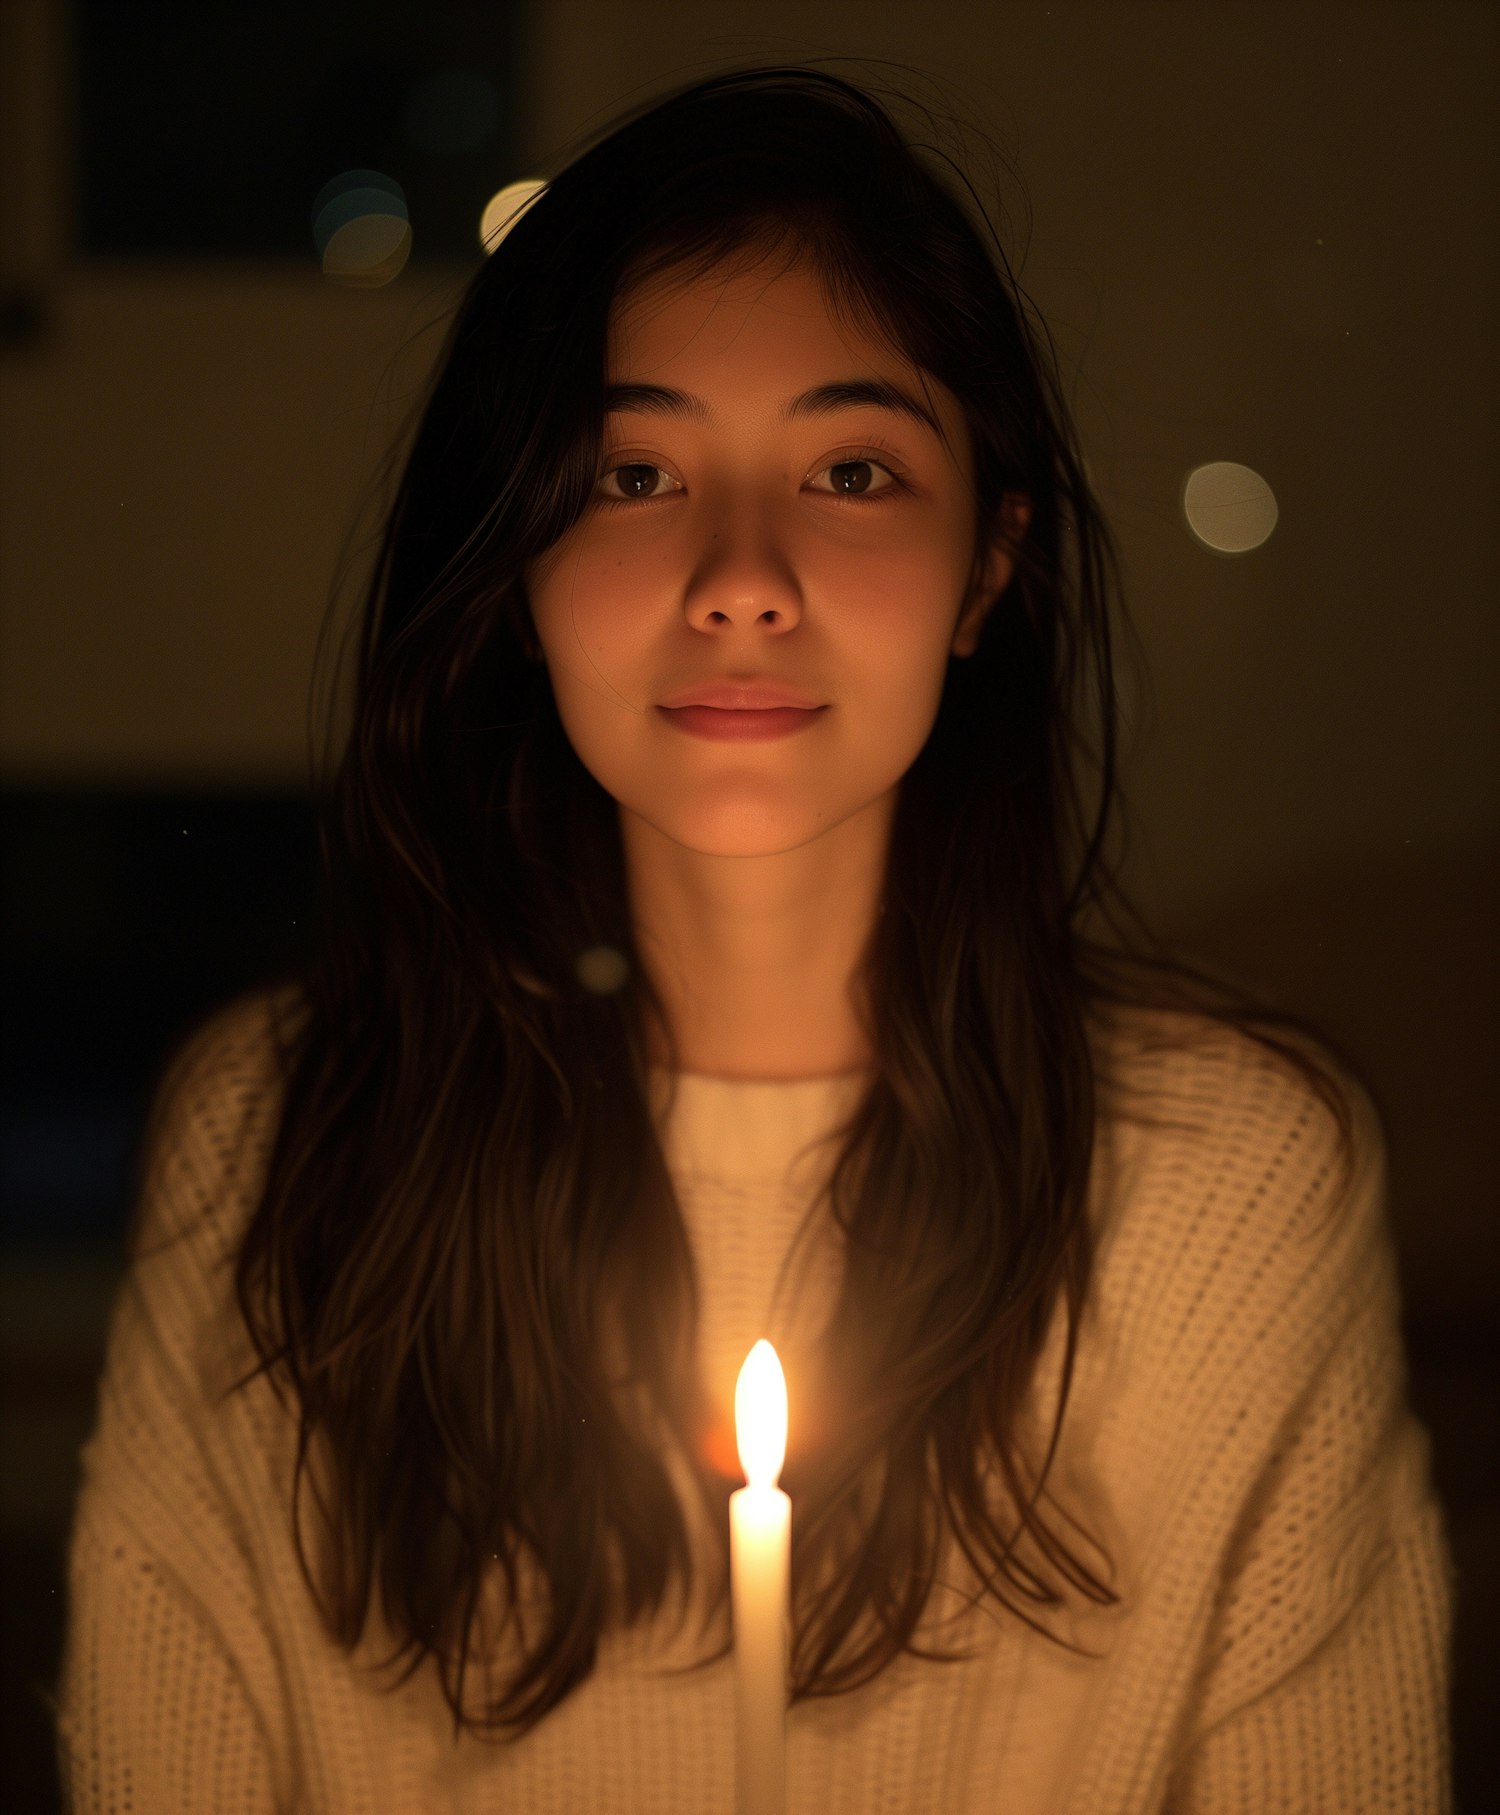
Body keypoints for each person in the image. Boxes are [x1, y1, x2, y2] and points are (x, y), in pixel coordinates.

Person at [53, 62, 1454, 1812]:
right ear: (517, 566)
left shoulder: (1231, 1193)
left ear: (990, 564)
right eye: (633, 472)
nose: (741, 575)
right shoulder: (276, 1138)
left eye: (852, 469)